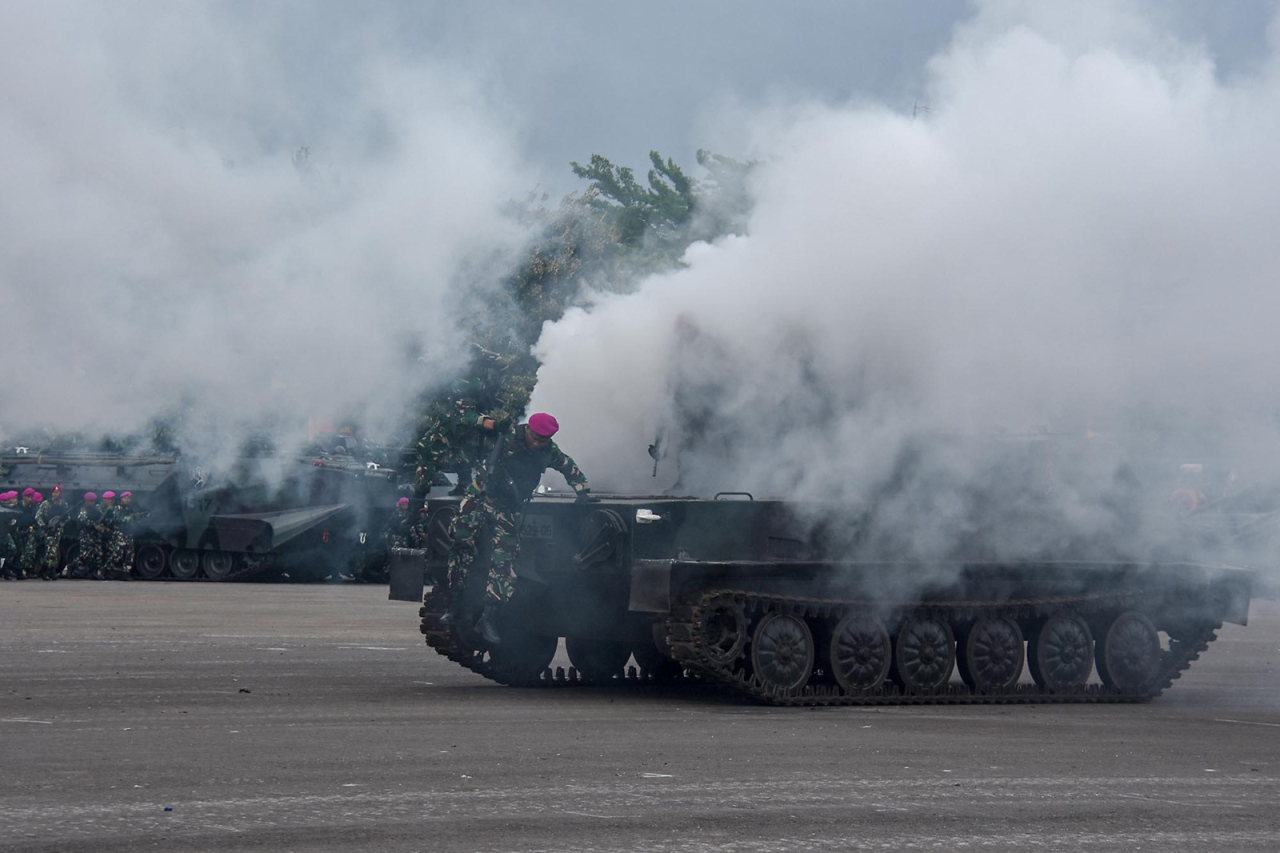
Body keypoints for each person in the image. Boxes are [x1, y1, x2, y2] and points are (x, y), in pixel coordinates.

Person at [440, 412, 595, 645]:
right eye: (535, 437)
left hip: (508, 507)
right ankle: (453, 603)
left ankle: (489, 616)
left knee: (505, 560)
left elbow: (568, 466)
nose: (537, 443)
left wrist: (582, 490)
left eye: (543, 440)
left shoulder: (548, 451)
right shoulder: (508, 432)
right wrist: (489, 423)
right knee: (461, 541)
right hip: (480, 496)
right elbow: (469, 418)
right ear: (528, 429)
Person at [413, 377, 510, 499]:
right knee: (424, 478)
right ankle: (417, 508)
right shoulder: (463, 407)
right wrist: (498, 424)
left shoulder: (456, 406)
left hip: (448, 448)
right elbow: (477, 420)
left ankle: (463, 483)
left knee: (462, 457)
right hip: (432, 450)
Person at [34, 484, 70, 580]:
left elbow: (67, 517)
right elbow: (38, 516)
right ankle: (46, 570)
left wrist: (62, 523)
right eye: (54, 492)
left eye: (57, 492)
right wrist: (44, 526)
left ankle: (52, 570)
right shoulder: (46, 504)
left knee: (55, 550)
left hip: (57, 530)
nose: (55, 494)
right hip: (48, 529)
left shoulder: (63, 504)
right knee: (50, 550)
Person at [104, 491, 137, 580]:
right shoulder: (117, 509)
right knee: (117, 553)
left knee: (129, 553)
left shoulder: (129, 509)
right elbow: (119, 518)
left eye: (129, 498)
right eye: (125, 498)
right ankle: (109, 570)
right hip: (119, 533)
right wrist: (130, 518)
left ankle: (125, 572)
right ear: (121, 499)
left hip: (128, 534)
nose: (127, 500)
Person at [73, 492, 103, 579]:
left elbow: (101, 517)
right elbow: (83, 520)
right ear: (86, 501)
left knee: (98, 553)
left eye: (93, 500)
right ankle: (75, 568)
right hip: (86, 533)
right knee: (85, 554)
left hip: (95, 534)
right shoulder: (83, 510)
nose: (92, 502)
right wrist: (94, 524)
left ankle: (94, 571)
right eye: (90, 501)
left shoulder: (97, 509)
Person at [1, 491, 20, 579]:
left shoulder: (12, 509)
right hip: (3, 532)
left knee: (13, 549)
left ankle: (6, 568)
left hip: (5, 533)